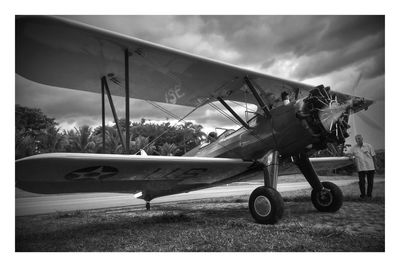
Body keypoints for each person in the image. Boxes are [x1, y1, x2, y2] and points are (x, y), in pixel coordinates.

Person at [348, 134, 377, 198]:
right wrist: (350, 156)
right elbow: (348, 154)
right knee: (361, 182)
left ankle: (369, 195)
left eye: (359, 139)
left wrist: (375, 167)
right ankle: (363, 195)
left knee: (370, 182)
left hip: (370, 167)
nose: (357, 140)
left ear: (362, 139)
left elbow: (374, 157)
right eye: (356, 139)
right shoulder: (354, 148)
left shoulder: (369, 146)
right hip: (361, 167)